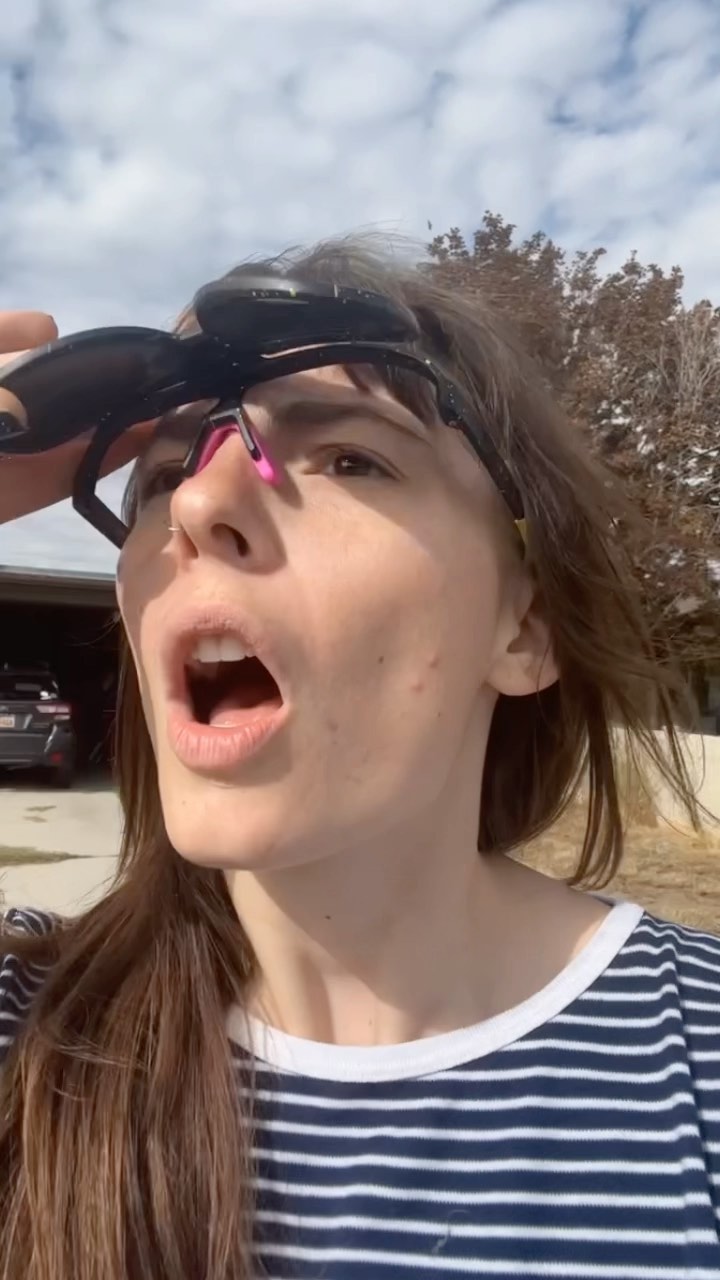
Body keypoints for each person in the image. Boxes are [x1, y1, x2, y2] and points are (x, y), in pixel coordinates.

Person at [0, 238, 718, 1280]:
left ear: (525, 626)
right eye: (160, 477)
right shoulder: (30, 1028)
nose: (195, 506)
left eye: (350, 459)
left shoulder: (696, 1055)